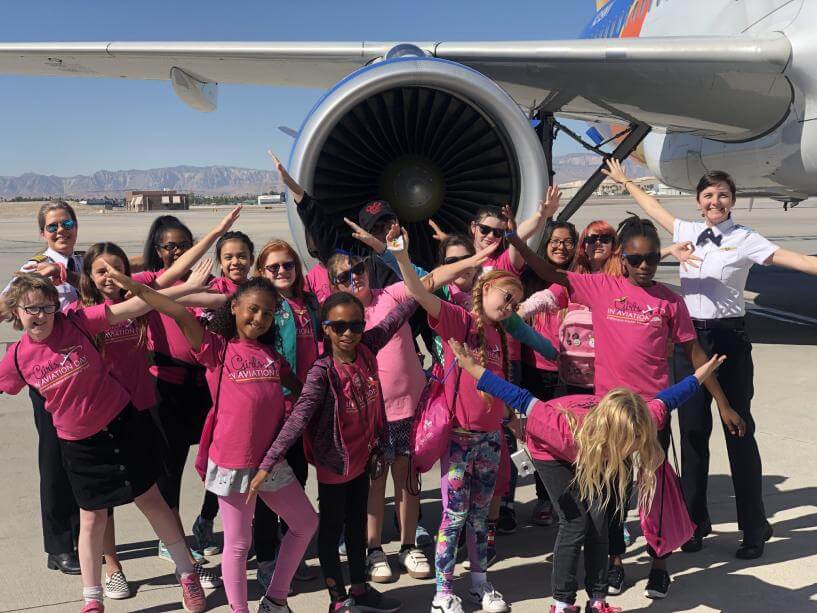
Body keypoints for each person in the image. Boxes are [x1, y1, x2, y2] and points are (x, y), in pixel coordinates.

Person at [506, 214, 741, 598]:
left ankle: (659, 564)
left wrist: (724, 403)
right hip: (609, 414)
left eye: (651, 258)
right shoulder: (600, 287)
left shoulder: (670, 302)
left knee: (655, 493)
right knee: (611, 493)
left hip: (654, 413)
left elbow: (695, 353)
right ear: (622, 258)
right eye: (635, 259)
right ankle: (616, 562)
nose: (645, 266)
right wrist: (516, 242)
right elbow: (549, 270)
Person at [603, 159, 817, 559]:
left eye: (722, 194)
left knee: (739, 432)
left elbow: (800, 261)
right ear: (699, 202)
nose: (715, 200)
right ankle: (695, 524)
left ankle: (753, 527)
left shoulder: (746, 238)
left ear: (732, 200)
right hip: (689, 340)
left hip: (729, 339)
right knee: (694, 435)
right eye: (707, 195)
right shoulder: (686, 230)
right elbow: (654, 210)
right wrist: (626, 181)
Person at [445, 336, 725, 613]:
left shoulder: (641, 417)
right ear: (614, 437)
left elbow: (669, 398)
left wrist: (700, 375)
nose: (635, 450)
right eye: (631, 445)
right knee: (575, 522)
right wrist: (473, 368)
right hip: (553, 452)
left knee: (600, 520)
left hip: (598, 450)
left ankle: (597, 599)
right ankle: (562, 602)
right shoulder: (560, 429)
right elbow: (516, 395)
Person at [109, 271, 318, 613]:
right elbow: (176, 311)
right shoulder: (216, 349)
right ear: (234, 307)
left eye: (267, 313)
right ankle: (239, 609)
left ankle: (276, 597)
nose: (259, 318)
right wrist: (139, 290)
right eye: (252, 309)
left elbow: (303, 391)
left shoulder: (271, 357)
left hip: (269, 464)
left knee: (306, 523)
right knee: (238, 543)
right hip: (233, 462)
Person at [0, 273, 209, 613]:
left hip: (123, 425)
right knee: (91, 518)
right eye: (30, 308)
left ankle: (187, 575)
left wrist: (183, 291)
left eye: (47, 307)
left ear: (57, 307)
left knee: (152, 500)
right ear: (16, 313)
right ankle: (92, 599)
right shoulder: (18, 358)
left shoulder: (78, 323)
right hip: (80, 446)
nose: (40, 315)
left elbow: (135, 305)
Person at [256, 292, 417, 613]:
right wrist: (267, 463)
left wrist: (419, 280)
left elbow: (398, 314)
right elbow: (298, 418)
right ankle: (337, 599)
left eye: (356, 325)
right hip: (335, 465)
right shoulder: (322, 372)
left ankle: (359, 589)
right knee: (331, 531)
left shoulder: (367, 349)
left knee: (357, 525)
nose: (349, 333)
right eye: (339, 326)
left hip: (364, 459)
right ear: (325, 329)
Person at [389, 224, 518, 613]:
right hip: (461, 438)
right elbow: (418, 291)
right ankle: (443, 591)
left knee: (479, 517)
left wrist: (510, 419)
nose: (510, 304)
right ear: (484, 288)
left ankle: (478, 582)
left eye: (516, 301)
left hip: (490, 438)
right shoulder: (460, 322)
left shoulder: (499, 336)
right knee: (454, 515)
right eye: (506, 295)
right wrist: (400, 256)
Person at [135, 209, 239, 575]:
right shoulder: (152, 283)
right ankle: (170, 538)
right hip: (167, 386)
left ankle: (206, 520)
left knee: (219, 458)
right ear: (157, 251)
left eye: (183, 245)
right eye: (168, 247)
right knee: (170, 465)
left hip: (207, 384)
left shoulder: (207, 280)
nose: (176, 252)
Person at [1, 201, 84, 575]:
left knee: (87, 459)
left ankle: (87, 537)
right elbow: (4, 305)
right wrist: (32, 297)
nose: (61, 230)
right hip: (50, 378)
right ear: (42, 233)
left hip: (88, 376)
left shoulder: (82, 264)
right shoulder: (34, 268)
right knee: (54, 460)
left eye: (67, 223)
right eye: (52, 226)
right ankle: (59, 546)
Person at [254, 238, 322, 587]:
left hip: (305, 406)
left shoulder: (308, 304)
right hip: (276, 407)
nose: (282, 271)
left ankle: (289, 551)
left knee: (297, 478)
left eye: (288, 265)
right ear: (262, 272)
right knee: (271, 487)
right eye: (273, 267)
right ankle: (266, 557)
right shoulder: (264, 306)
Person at [190, 229, 256, 557]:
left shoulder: (260, 292)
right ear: (219, 261)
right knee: (223, 461)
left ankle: (248, 523)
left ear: (251, 259)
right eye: (228, 256)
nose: (235, 262)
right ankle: (206, 518)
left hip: (254, 383)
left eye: (242, 255)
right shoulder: (211, 291)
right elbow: (204, 331)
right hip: (221, 384)